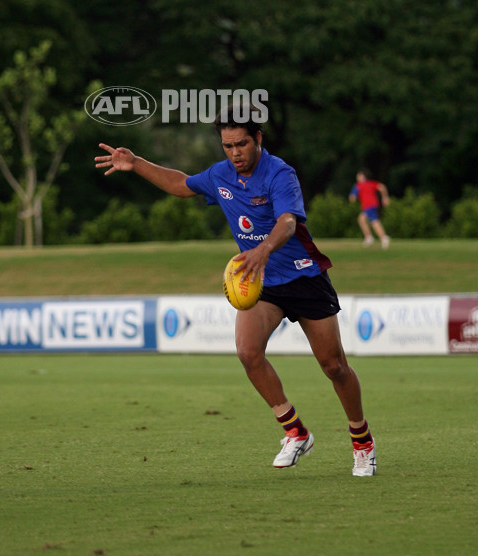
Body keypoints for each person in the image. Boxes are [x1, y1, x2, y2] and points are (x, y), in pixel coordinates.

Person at [94, 106, 376, 477]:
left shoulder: (280, 173)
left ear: (257, 139)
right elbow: (182, 184)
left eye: (241, 143)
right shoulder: (220, 175)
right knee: (247, 351)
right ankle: (295, 432)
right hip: (261, 284)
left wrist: (263, 249)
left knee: (334, 366)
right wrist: (137, 163)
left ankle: (362, 442)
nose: (235, 152)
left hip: (304, 277)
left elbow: (288, 222)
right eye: (227, 145)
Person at [349, 169, 390, 248]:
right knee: (361, 219)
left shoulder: (358, 185)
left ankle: (384, 238)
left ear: (363, 177)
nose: (357, 177)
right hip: (372, 205)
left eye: (359, 176)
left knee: (374, 222)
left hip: (369, 205)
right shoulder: (372, 183)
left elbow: (352, 197)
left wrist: (352, 198)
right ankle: (369, 237)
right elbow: (382, 187)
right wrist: (385, 197)